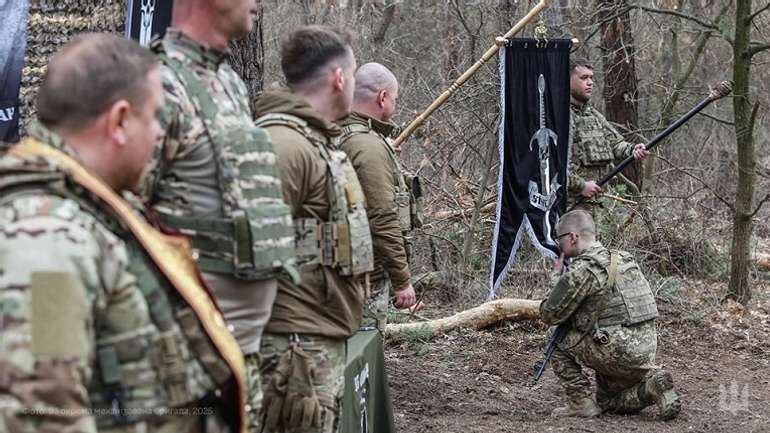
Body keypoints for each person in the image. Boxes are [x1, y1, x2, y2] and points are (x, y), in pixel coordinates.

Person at [0, 33, 247, 433]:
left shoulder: (94, 207)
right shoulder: (46, 239)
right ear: (118, 122)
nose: (157, 135)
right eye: (154, 117)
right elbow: (44, 412)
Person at [141, 0, 297, 428]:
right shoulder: (157, 83)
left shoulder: (228, 81)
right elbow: (122, 213)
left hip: (241, 355)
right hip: (187, 362)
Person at [252, 25, 373, 433]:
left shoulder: (313, 141)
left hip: (311, 342)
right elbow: (249, 252)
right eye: (353, 75)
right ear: (340, 78)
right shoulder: (283, 144)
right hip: (291, 351)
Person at [540, 210, 681, 420]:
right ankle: (651, 387)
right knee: (608, 402)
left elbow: (550, 314)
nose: (558, 245)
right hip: (646, 348)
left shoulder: (584, 269)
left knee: (554, 336)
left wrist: (555, 277)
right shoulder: (623, 258)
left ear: (572, 237)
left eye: (559, 239)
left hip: (614, 349)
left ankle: (580, 402)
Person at [337, 63, 417, 331]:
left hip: (339, 270)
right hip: (365, 275)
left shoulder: (340, 132)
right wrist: (402, 279)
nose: (394, 105)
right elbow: (382, 217)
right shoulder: (367, 146)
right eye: (394, 98)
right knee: (363, 352)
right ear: (382, 97)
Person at [568, 58, 650, 211]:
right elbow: (549, 165)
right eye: (584, 78)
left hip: (595, 203)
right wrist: (580, 185)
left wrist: (633, 149)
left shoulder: (593, 116)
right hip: (569, 204)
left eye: (591, 78)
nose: (590, 82)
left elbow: (616, 144)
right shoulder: (557, 117)